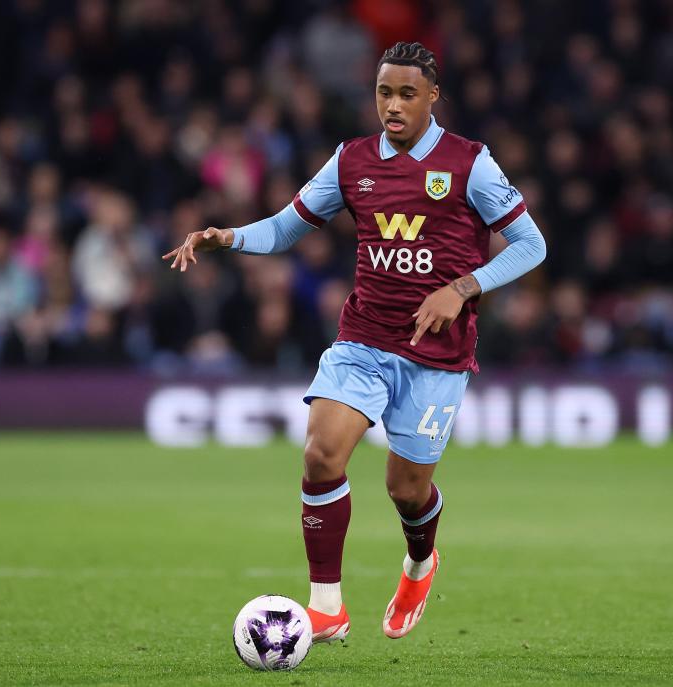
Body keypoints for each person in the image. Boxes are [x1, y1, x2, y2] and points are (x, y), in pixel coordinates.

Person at [164, 42, 547, 642]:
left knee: (406, 488)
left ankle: (421, 563)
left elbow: (531, 244)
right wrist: (228, 237)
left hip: (437, 355)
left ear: (433, 97)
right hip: (363, 338)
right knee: (321, 454)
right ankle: (327, 607)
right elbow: (288, 226)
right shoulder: (351, 161)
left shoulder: (471, 164)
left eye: (406, 94)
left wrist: (461, 288)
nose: (392, 106)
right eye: (383, 93)